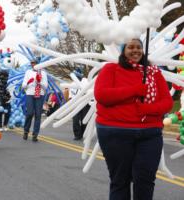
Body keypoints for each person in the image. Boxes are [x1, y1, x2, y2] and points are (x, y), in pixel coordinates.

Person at [94, 38, 173, 200]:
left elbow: (167, 102)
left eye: (139, 47)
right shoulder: (111, 69)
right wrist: (134, 90)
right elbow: (102, 95)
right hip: (116, 133)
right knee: (120, 181)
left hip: (149, 134)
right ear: (123, 51)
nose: (135, 50)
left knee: (145, 181)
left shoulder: (153, 72)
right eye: (130, 47)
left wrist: (147, 109)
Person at [22, 59, 48, 142]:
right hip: (30, 94)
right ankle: (26, 131)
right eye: (32, 63)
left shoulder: (43, 73)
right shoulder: (28, 72)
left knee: (38, 115)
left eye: (34, 63)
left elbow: (46, 86)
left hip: (39, 95)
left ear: (38, 64)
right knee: (29, 113)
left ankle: (35, 135)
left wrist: (39, 82)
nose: (33, 64)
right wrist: (28, 82)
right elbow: (23, 86)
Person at [69, 70, 90, 140]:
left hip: (85, 103)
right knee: (75, 120)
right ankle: (77, 135)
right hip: (75, 104)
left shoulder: (86, 82)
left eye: (77, 76)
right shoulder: (72, 84)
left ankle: (83, 133)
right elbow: (70, 96)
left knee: (84, 120)